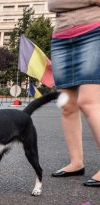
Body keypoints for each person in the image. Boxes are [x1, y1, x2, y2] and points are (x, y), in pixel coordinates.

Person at [48, 0, 100, 187]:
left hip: (94, 31)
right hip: (61, 38)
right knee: (67, 105)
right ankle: (76, 162)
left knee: (88, 102)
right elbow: (52, 4)